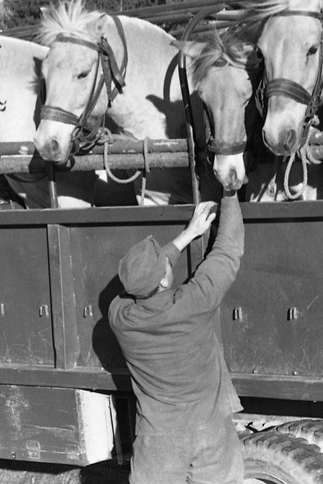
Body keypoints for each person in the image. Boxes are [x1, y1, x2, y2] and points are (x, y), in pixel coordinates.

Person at [109, 194, 245, 483]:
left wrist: (187, 234)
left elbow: (137, 286)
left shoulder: (120, 317)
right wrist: (231, 195)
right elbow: (227, 252)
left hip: (158, 445)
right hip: (210, 434)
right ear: (163, 279)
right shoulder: (194, 303)